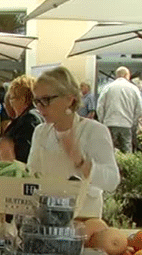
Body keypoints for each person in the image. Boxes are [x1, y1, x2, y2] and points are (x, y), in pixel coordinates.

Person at [28, 66, 120, 218]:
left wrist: (81, 162)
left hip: (84, 221)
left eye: (46, 100)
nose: (39, 107)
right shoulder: (41, 132)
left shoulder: (94, 131)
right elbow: (31, 175)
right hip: (46, 221)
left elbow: (112, 181)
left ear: (69, 99)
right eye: (36, 101)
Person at [0, 75, 43, 164]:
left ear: (22, 99)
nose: (10, 104)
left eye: (12, 98)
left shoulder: (29, 119)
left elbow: (21, 153)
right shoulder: (32, 116)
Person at [96, 66, 142, 153]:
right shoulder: (134, 89)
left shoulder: (107, 88)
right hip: (127, 124)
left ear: (116, 75)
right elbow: (139, 109)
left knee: (109, 150)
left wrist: (102, 121)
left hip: (110, 123)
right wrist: (134, 123)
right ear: (127, 75)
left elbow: (100, 106)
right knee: (127, 151)